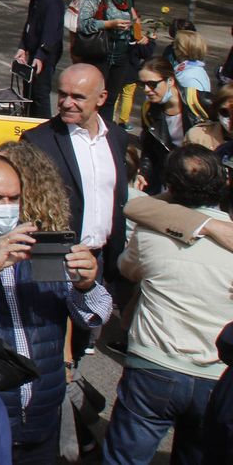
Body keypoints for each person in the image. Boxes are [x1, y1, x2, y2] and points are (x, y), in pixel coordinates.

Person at [0, 153, 110, 463]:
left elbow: (93, 315)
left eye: (14, 198)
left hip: (41, 418)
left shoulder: (42, 244)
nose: (7, 207)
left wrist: (86, 285)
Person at [103, 144, 233, 465]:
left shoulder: (150, 233)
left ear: (170, 187)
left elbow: (126, 267)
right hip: (215, 373)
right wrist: (208, 225)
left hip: (153, 368)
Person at [21, 64, 130, 279]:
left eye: (78, 97)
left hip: (101, 258)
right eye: (62, 94)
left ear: (101, 98)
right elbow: (29, 207)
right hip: (56, 259)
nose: (66, 103)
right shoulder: (38, 141)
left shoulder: (117, 137)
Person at [129, 57, 214, 188]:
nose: (146, 89)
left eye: (152, 84)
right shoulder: (148, 110)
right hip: (172, 177)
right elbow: (149, 149)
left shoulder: (197, 101)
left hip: (203, 175)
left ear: (170, 81)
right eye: (142, 84)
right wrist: (143, 173)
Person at [74, 0, 147, 115]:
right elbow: (83, 24)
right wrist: (109, 24)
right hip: (100, 54)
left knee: (110, 99)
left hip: (121, 56)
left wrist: (139, 35)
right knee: (93, 98)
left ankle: (105, 133)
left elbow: (134, 21)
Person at [12, 0, 65, 117]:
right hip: (33, 48)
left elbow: (51, 32)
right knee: (28, 87)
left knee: (40, 91)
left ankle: (42, 123)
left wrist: (41, 56)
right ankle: (28, 117)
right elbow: (30, 23)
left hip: (46, 51)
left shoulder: (53, 1)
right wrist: (23, 47)